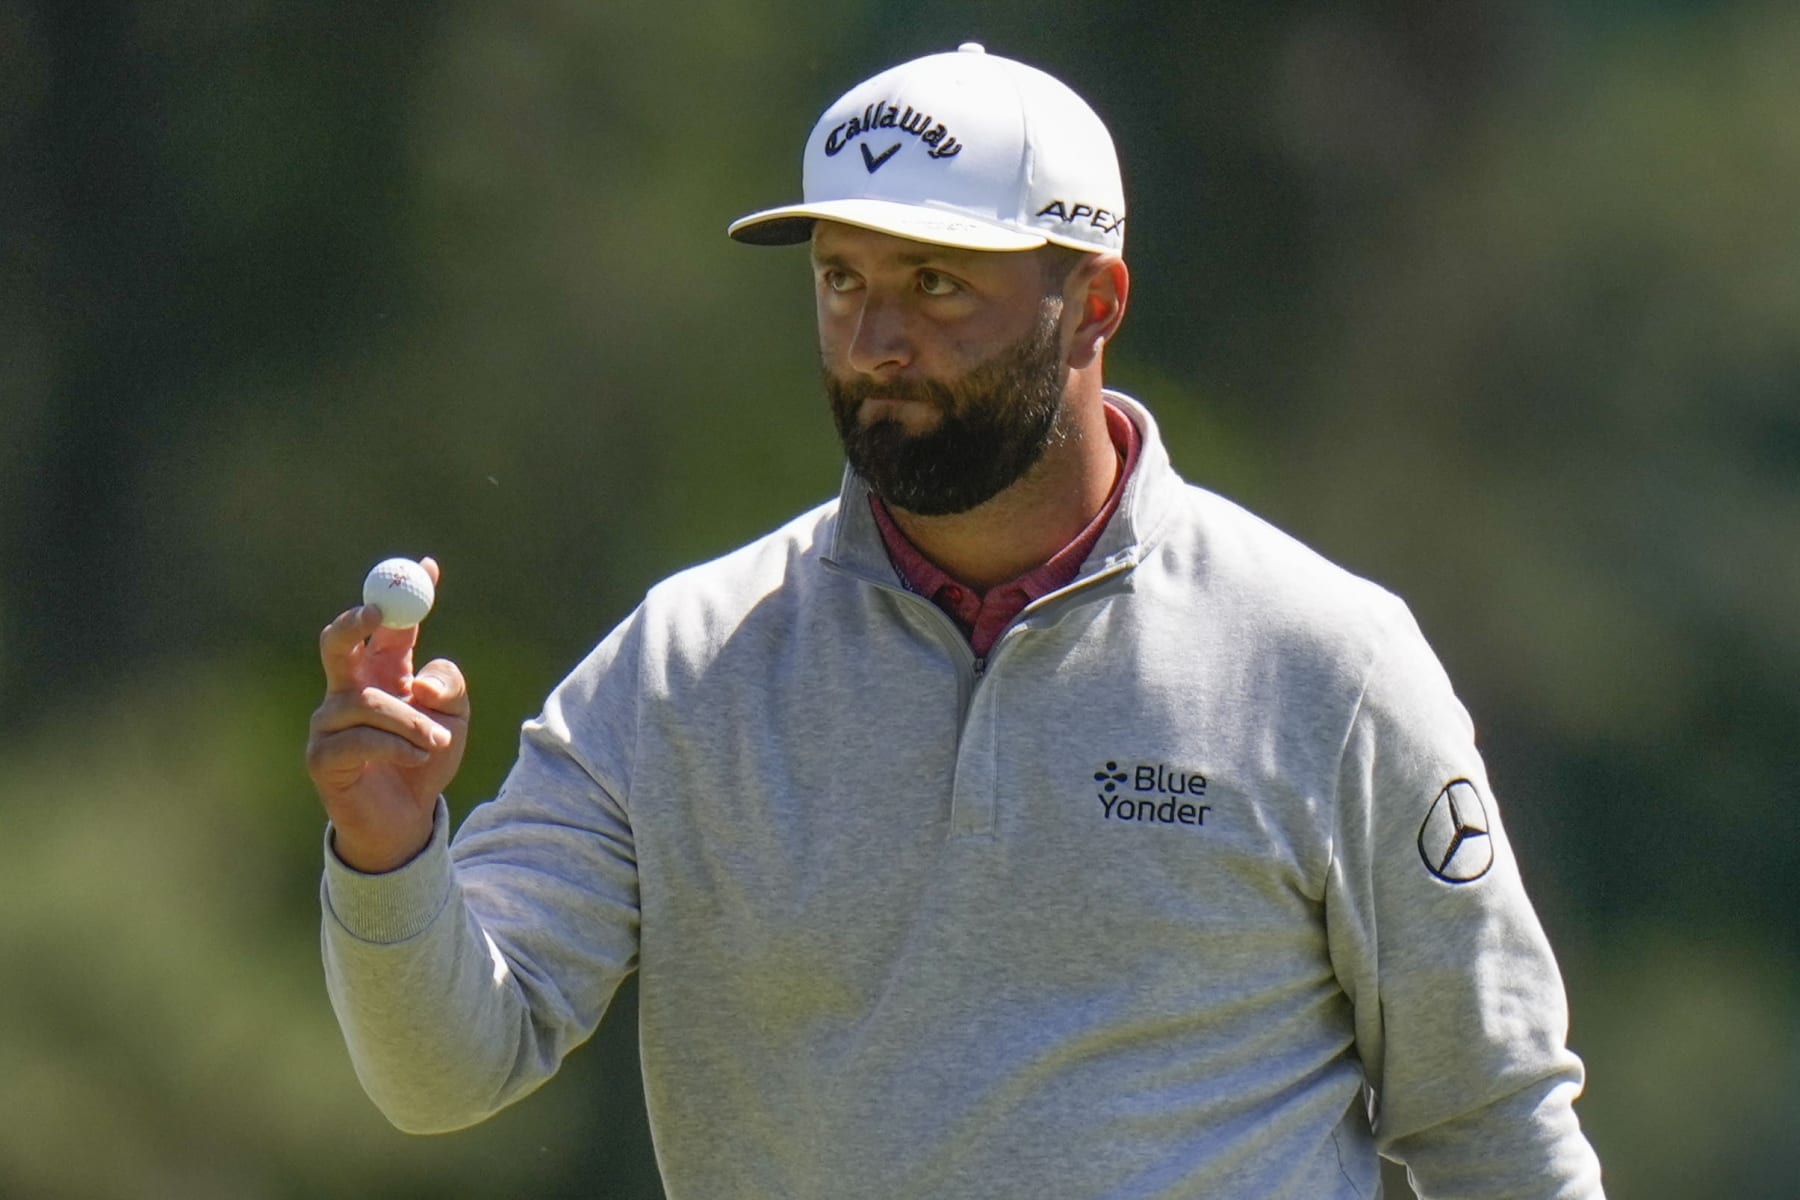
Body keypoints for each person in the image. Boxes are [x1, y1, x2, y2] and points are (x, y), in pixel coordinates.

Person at [307, 43, 1605, 1199]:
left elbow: (1492, 1127)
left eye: (935, 285)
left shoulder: (1326, 662)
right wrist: (388, 849)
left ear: (1094, 303)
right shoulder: (683, 665)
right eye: (840, 280)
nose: (875, 338)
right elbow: (447, 1073)